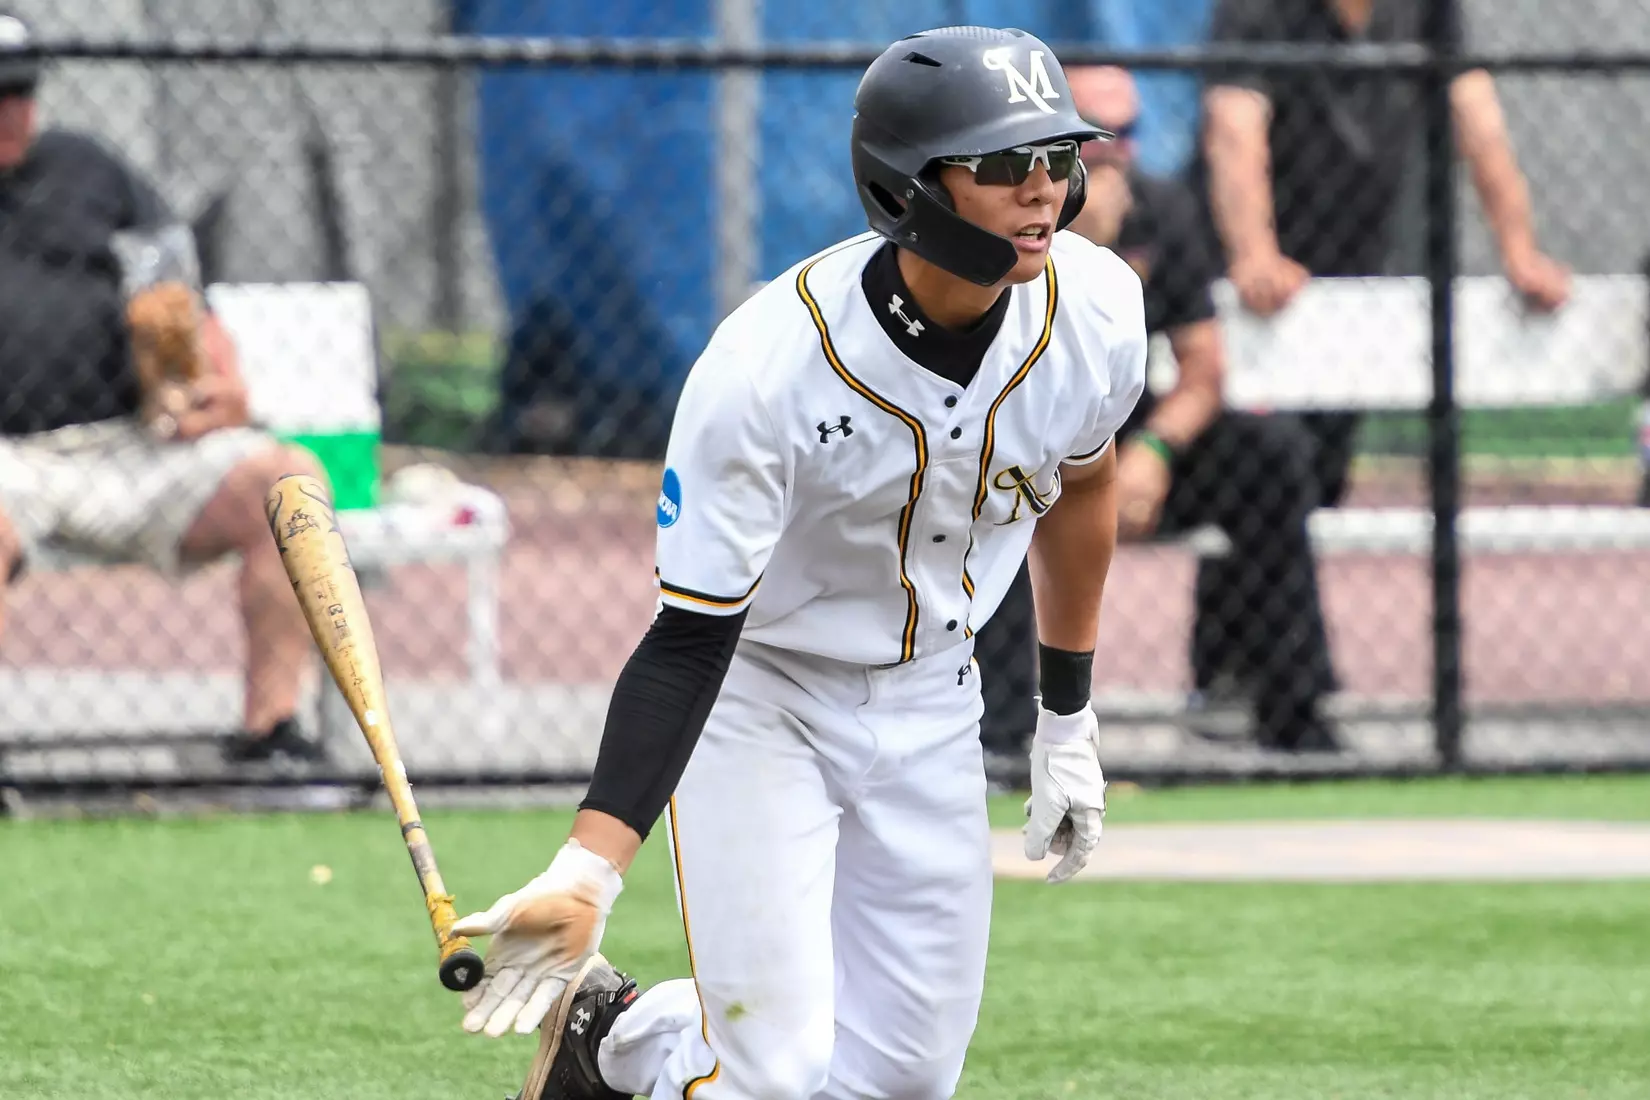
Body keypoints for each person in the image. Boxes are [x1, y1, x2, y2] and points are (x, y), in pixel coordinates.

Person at [450, 26, 1146, 1100]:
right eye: (1005, 162)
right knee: (771, 1074)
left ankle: (610, 1029)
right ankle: (631, 1036)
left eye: (1058, 156)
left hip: (936, 697)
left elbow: (1085, 489)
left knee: (903, 1080)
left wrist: (1067, 718)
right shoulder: (766, 369)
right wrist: (588, 869)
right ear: (910, 185)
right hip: (765, 699)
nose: (1043, 188)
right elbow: (688, 641)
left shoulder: (1095, 310)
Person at [976, 65, 1339, 755]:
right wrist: (1079, 244)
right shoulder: (1002, 210)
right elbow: (994, 360)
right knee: (992, 487)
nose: (1116, 152)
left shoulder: (1164, 208)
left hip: (1128, 442)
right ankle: (1003, 735)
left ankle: (1293, 715)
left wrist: (1154, 452)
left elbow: (1204, 370)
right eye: (1095, 136)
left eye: (1129, 131)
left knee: (1273, 454)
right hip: (1025, 442)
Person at [0, 10, 325, 765]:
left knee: (288, 482)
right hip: (9, 460)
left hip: (133, 443)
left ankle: (270, 734)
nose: (12, 112)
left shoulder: (89, 168)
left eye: (20, 93)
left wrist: (220, 384)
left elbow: (177, 290)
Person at [1194, 0, 1571, 510]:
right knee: (1261, 478)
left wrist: (1520, 251)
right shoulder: (1256, 9)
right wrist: (1255, 254)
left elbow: (1477, 117)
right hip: (1245, 276)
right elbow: (1234, 129)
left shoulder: (1427, 10)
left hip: (1355, 269)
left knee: (1324, 478)